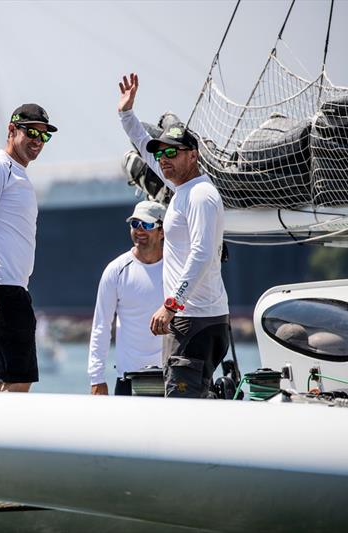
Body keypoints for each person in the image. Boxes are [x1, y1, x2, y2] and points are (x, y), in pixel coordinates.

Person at [118, 72, 229, 398]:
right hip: (193, 318)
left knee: (183, 409)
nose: (164, 160)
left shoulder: (200, 196)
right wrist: (126, 113)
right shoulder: (180, 186)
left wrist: (171, 305)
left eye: (173, 153)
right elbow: (143, 144)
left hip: (195, 320)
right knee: (191, 403)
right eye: (161, 154)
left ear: (192, 156)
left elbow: (202, 254)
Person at [0, 103, 57, 392]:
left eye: (44, 136)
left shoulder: (16, 172)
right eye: (31, 132)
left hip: (6, 286)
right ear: (12, 130)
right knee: (18, 379)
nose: (37, 141)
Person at [88, 200, 166, 396]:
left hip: (170, 377)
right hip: (128, 379)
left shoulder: (176, 269)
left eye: (147, 225)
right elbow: (101, 325)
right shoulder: (116, 270)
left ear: (162, 231)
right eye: (135, 224)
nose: (139, 230)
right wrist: (96, 378)